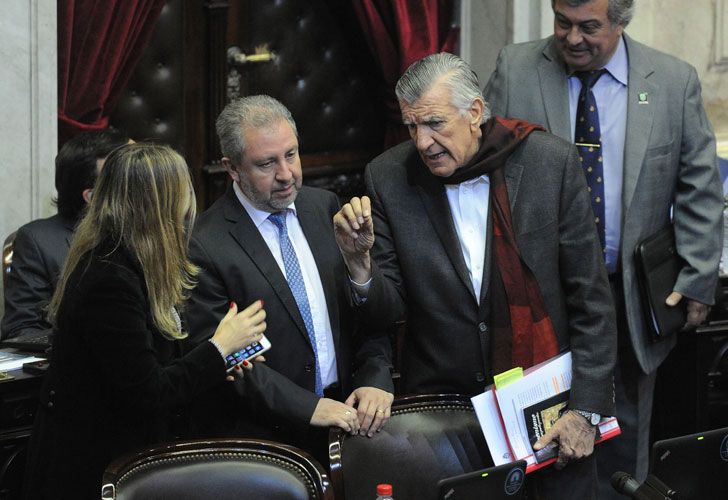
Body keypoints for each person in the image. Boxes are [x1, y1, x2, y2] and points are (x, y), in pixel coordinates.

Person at [334, 52, 617, 499]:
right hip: (446, 425)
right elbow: (386, 312)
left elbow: (592, 302)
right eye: (412, 127)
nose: (423, 142)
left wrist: (586, 412)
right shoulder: (388, 177)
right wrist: (359, 265)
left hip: (549, 412)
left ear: (475, 113)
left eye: (434, 123)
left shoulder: (551, 164)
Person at [483, 0, 723, 495]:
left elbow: (698, 185)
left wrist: (698, 275)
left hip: (627, 293)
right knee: (540, 438)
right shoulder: (517, 68)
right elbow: (482, 165)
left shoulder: (673, 81)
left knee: (623, 433)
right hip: (538, 291)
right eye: (562, 23)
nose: (572, 39)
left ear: (620, 22)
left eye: (589, 27)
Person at [22, 143, 268, 499]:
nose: (188, 204)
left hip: (129, 456)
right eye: (182, 192)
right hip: (95, 469)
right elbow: (149, 392)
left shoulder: (139, 261)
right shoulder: (108, 277)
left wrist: (223, 359)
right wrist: (219, 347)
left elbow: (160, 360)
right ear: (160, 204)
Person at [184, 95, 394, 466]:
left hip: (351, 421)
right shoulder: (205, 243)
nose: (286, 174)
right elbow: (226, 361)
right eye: (267, 163)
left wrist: (376, 378)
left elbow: (368, 320)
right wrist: (310, 407)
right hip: (263, 442)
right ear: (232, 168)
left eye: (291, 155)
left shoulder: (324, 207)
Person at [2, 130, 129, 340]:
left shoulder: (149, 234)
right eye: (121, 177)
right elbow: (21, 330)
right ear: (91, 196)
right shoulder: (39, 240)